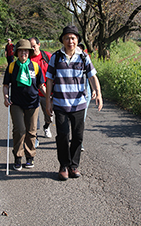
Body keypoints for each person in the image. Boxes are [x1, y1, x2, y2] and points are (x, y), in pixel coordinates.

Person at [45, 25, 103, 181]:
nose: (70, 41)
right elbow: (49, 79)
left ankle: (73, 165)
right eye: (67, 38)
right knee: (63, 135)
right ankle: (63, 165)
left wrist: (98, 92)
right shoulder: (56, 57)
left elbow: (92, 76)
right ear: (63, 40)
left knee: (78, 136)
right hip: (60, 103)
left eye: (73, 38)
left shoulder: (84, 57)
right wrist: (48, 101)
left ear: (77, 40)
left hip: (79, 104)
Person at [3, 39, 46, 170]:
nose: (24, 53)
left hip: (33, 103)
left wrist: (49, 97)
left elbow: (40, 84)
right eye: (21, 51)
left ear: (29, 52)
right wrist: (5, 97)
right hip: (16, 103)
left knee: (31, 131)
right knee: (19, 130)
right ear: (17, 52)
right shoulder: (12, 66)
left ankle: (30, 157)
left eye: (26, 51)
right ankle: (17, 157)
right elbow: (6, 85)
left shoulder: (35, 66)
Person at [29, 37, 53, 145]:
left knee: (49, 116)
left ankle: (46, 126)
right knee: (33, 118)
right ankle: (35, 137)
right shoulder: (28, 59)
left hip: (46, 93)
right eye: (30, 47)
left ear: (39, 45)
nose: (32, 48)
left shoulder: (47, 56)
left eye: (34, 46)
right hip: (33, 93)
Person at [77, 43, 96, 152]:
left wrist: (94, 90)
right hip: (72, 95)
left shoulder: (85, 59)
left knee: (81, 119)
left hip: (85, 93)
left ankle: (80, 142)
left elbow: (91, 76)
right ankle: (75, 137)